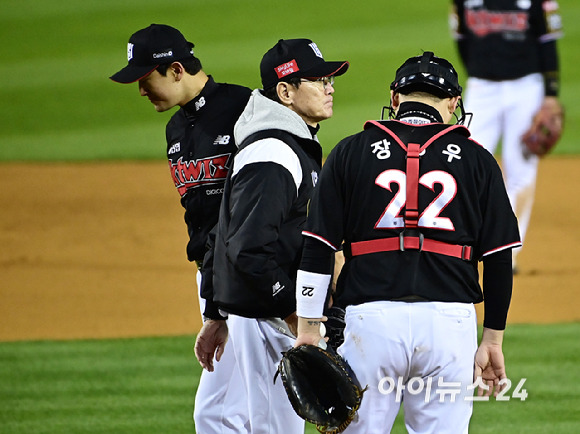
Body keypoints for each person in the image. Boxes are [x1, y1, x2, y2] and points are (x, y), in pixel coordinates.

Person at [294, 51, 521, 433]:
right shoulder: (478, 160)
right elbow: (499, 258)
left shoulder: (349, 152)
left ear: (395, 99)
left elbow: (317, 245)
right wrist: (493, 339)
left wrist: (307, 329)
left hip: (371, 322)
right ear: (452, 104)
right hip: (450, 326)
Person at [194, 38, 349, 433]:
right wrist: (292, 310)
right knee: (273, 427)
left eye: (330, 79)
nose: (330, 88)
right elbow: (247, 248)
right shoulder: (274, 154)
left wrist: (215, 312)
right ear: (285, 91)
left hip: (255, 310)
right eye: (318, 80)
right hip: (266, 314)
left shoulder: (284, 142)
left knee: (224, 418)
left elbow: (221, 230)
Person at [109, 24, 252, 433]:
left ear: (175, 70)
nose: (140, 90)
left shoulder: (245, 107)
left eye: (144, 79)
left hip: (253, 275)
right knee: (218, 414)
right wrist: (214, 304)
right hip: (216, 278)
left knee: (261, 410)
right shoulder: (175, 129)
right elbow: (201, 218)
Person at [450, 0, 563, 273]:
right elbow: (461, 39)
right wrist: (477, 73)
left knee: (521, 170)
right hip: (481, 88)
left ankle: (508, 253)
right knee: (464, 161)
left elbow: (548, 41)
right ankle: (463, 244)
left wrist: (550, 94)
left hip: (526, 87)